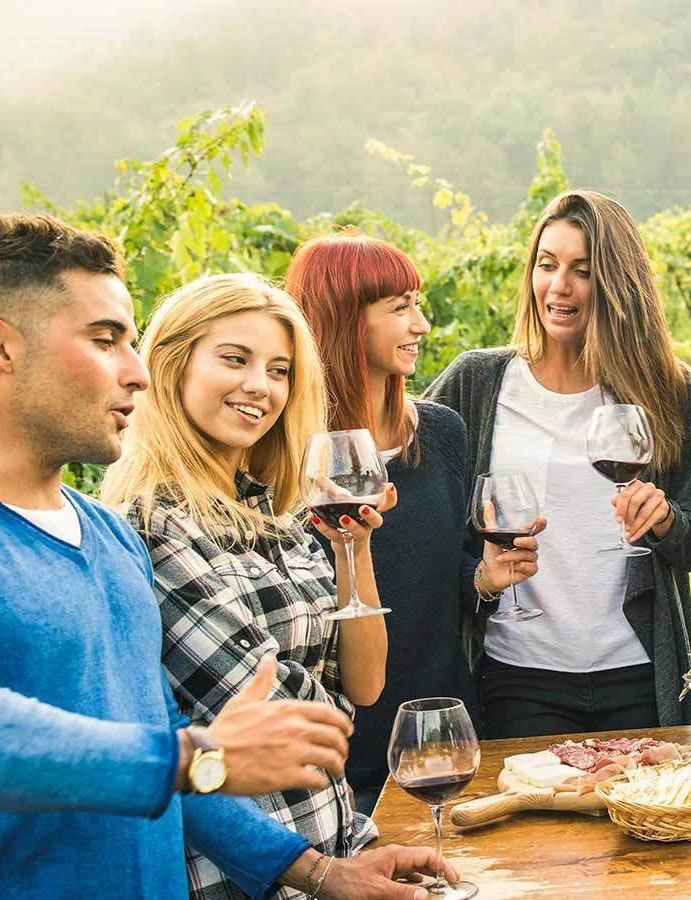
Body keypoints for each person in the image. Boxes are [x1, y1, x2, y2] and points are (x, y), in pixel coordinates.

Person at [0, 213, 457, 898]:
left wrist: (319, 871)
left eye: (133, 343)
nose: (138, 372)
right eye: (105, 341)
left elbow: (173, 761)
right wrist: (190, 756)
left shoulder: (108, 538)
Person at [99, 272, 404, 897]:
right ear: (172, 364)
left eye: (279, 369)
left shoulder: (280, 518)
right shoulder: (150, 526)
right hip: (242, 877)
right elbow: (290, 721)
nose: (260, 386)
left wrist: (355, 545)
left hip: (337, 846)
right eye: (235, 359)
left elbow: (368, 684)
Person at [426, 189, 691, 738]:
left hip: (638, 671)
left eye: (582, 270)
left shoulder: (665, 392)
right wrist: (479, 581)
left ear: (615, 284)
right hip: (517, 673)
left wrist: (667, 519)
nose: (558, 287)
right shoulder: (477, 383)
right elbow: (422, 519)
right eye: (547, 264)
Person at [287, 233, 540, 808]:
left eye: (415, 304)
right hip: (338, 760)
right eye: (400, 308)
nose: (421, 325)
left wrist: (483, 579)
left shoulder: (442, 433)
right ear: (344, 321)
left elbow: (444, 573)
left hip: (442, 735)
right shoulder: (292, 462)